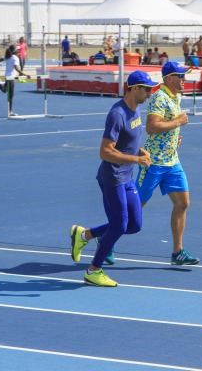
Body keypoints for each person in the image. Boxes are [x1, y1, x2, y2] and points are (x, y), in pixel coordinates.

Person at [69, 71, 158, 287]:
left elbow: (128, 142)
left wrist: (141, 151)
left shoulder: (135, 111)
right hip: (113, 178)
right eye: (147, 89)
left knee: (134, 225)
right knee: (119, 225)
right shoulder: (117, 114)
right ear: (134, 88)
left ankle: (85, 235)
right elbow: (105, 152)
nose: (150, 93)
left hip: (126, 176)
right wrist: (136, 160)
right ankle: (93, 270)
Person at [136, 61, 199, 266]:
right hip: (152, 163)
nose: (184, 80)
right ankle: (105, 241)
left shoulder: (176, 96)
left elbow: (165, 126)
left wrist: (174, 136)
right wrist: (178, 123)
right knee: (134, 208)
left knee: (183, 203)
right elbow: (152, 128)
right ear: (169, 78)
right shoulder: (159, 99)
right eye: (181, 76)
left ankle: (177, 252)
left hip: (172, 162)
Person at [0, 44, 31, 117]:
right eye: (17, 49)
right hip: (10, 78)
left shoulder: (8, 56)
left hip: (9, 77)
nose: (18, 50)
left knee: (10, 95)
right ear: (14, 51)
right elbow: (17, 68)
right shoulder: (14, 58)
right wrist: (25, 74)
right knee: (5, 91)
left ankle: (10, 112)